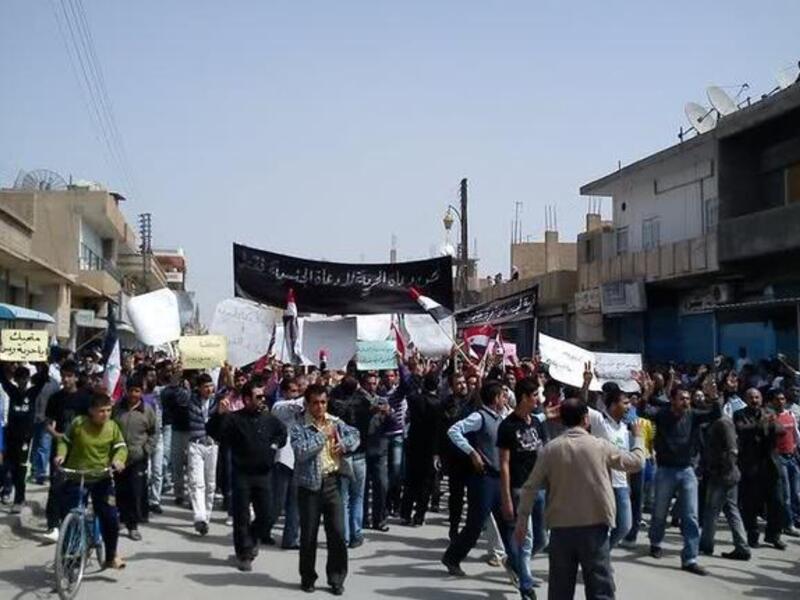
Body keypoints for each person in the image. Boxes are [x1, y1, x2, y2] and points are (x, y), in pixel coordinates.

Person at [514, 398, 644, 600]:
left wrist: (522, 518)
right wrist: (638, 438)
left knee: (560, 589)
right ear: (586, 419)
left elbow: (530, 487)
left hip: (561, 529)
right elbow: (636, 463)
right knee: (600, 588)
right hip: (595, 528)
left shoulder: (550, 449)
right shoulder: (601, 446)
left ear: (560, 421)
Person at [442, 380, 520, 586]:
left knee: (507, 524)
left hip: (500, 478)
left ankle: (516, 566)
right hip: (483, 479)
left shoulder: (504, 417)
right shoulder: (479, 417)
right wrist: (472, 453)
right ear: (495, 399)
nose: (506, 399)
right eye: (503, 396)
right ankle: (452, 558)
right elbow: (453, 431)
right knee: (475, 525)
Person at [640, 377, 721, 575]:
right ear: (672, 400)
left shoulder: (693, 415)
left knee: (691, 516)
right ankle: (656, 542)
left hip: (687, 471)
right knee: (660, 512)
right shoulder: (662, 414)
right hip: (665, 471)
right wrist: (646, 394)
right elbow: (643, 411)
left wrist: (714, 396)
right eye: (682, 399)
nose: (686, 402)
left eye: (688, 399)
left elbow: (714, 414)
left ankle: (690, 558)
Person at [206, 379, 287, 571]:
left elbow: (282, 433)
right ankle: (244, 553)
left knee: (267, 516)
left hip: (264, 474)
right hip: (242, 474)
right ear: (246, 399)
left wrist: (275, 445)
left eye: (263, 396)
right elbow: (215, 432)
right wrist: (219, 415)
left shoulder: (269, 418)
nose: (261, 399)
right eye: (257, 396)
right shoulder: (234, 419)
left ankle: (252, 536)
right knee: (241, 517)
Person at [291, 384, 360, 595]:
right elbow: (301, 452)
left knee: (338, 533)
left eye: (323, 402)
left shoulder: (335, 422)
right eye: (315, 403)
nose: (320, 407)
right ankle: (308, 577)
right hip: (309, 486)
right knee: (309, 535)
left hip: (332, 483)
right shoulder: (299, 426)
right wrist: (322, 436)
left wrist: (344, 445)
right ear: (307, 404)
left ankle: (337, 577)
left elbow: (355, 435)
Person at [55, 391, 128, 569]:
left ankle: (111, 556)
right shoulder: (78, 423)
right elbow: (64, 441)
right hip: (76, 476)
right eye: (101, 411)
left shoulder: (112, 427)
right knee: (69, 516)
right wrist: (61, 455)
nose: (106, 414)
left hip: (101, 477)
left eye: (108, 410)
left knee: (110, 517)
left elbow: (121, 447)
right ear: (91, 411)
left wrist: (119, 460)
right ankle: (69, 558)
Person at [498, 377, 547, 600]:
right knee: (525, 541)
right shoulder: (507, 426)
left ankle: (514, 562)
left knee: (541, 540)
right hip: (520, 490)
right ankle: (526, 586)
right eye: (535, 395)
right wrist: (506, 496)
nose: (538, 399)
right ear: (524, 397)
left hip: (541, 489)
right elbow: (505, 464)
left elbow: (544, 454)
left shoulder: (537, 422)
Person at [734, 387, 785, 550]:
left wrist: (764, 425)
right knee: (751, 504)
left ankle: (773, 535)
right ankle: (752, 535)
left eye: (757, 397)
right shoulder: (740, 414)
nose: (754, 400)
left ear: (761, 399)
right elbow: (742, 429)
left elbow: (780, 430)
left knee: (777, 501)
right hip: (751, 466)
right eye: (751, 398)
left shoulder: (769, 412)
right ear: (746, 399)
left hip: (771, 465)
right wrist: (762, 425)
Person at [42, 361, 88, 541]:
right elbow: (47, 423)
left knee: (76, 487)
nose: (66, 379)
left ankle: (72, 521)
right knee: (56, 486)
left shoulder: (85, 398)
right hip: (59, 449)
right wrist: (57, 435)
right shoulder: (56, 398)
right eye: (63, 376)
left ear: (76, 377)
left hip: (80, 450)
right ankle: (53, 525)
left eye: (69, 376)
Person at [585, 378, 633, 548]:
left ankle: (601, 555)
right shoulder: (600, 422)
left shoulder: (624, 429)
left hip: (621, 485)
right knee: (602, 528)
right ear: (613, 405)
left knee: (624, 526)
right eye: (625, 403)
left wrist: (627, 482)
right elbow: (582, 406)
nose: (629, 407)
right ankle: (597, 562)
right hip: (604, 484)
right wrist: (586, 383)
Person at [698, 409, 751, 560]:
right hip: (725, 473)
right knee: (731, 510)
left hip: (723, 474)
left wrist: (725, 470)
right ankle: (742, 546)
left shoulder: (723, 423)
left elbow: (732, 450)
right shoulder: (715, 422)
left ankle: (706, 545)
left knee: (711, 511)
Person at [113, 376, 157, 541]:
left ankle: (133, 525)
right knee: (120, 490)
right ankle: (121, 519)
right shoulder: (117, 408)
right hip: (118, 457)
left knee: (134, 491)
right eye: (131, 390)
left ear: (142, 392)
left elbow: (154, 432)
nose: (133, 394)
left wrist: (147, 450)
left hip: (138, 458)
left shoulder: (148, 410)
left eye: (137, 391)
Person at [329, 375, 372, 548]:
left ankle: (345, 536)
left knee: (344, 498)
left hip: (343, 455)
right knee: (357, 496)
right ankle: (356, 533)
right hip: (359, 455)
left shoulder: (334, 404)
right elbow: (371, 400)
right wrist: (360, 388)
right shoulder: (364, 402)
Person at [0, 364, 47, 513]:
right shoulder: (12, 392)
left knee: (20, 469)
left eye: (25, 379)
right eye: (19, 378)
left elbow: (42, 380)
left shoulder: (32, 394)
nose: (22, 382)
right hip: (10, 437)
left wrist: (42, 363)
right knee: (7, 467)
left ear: (28, 379)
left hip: (25, 439)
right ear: (15, 379)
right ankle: (6, 491)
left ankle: (19, 499)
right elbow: (2, 379)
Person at [400, 370, 441, 527]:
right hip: (430, 449)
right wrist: (437, 453)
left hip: (413, 444)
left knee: (411, 481)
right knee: (425, 484)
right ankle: (419, 515)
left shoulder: (415, 399)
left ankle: (405, 513)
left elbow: (408, 388)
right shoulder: (438, 403)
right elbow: (438, 430)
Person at [181, 373, 219, 535]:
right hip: (196, 445)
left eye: (211, 386)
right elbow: (177, 392)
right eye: (205, 386)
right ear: (199, 388)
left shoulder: (218, 402)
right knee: (197, 482)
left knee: (210, 483)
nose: (209, 389)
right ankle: (199, 517)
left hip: (212, 445)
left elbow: (231, 390)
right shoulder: (191, 400)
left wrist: (227, 372)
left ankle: (206, 517)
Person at [268, 376, 303, 548]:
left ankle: (291, 539)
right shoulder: (278, 406)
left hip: (299, 458)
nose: (295, 394)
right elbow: (295, 405)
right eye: (292, 391)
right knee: (277, 502)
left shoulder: (303, 410)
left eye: (298, 391)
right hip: (283, 459)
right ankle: (263, 529)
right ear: (283, 392)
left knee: (295, 502)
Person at [437, 371, 472, 541]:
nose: (463, 385)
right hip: (454, 456)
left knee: (473, 495)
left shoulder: (471, 402)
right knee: (456, 494)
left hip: (472, 455)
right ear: (452, 387)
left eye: (464, 382)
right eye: (458, 383)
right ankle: (454, 527)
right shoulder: (446, 404)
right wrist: (437, 454)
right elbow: (439, 430)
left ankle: (471, 529)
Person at [769, 389, 800, 536]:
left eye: (782, 399)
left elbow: (795, 434)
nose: (781, 401)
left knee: (796, 492)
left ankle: (794, 518)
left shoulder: (790, 415)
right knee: (786, 494)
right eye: (777, 399)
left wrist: (795, 448)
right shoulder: (771, 417)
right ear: (772, 402)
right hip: (779, 458)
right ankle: (788, 524)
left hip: (792, 457)